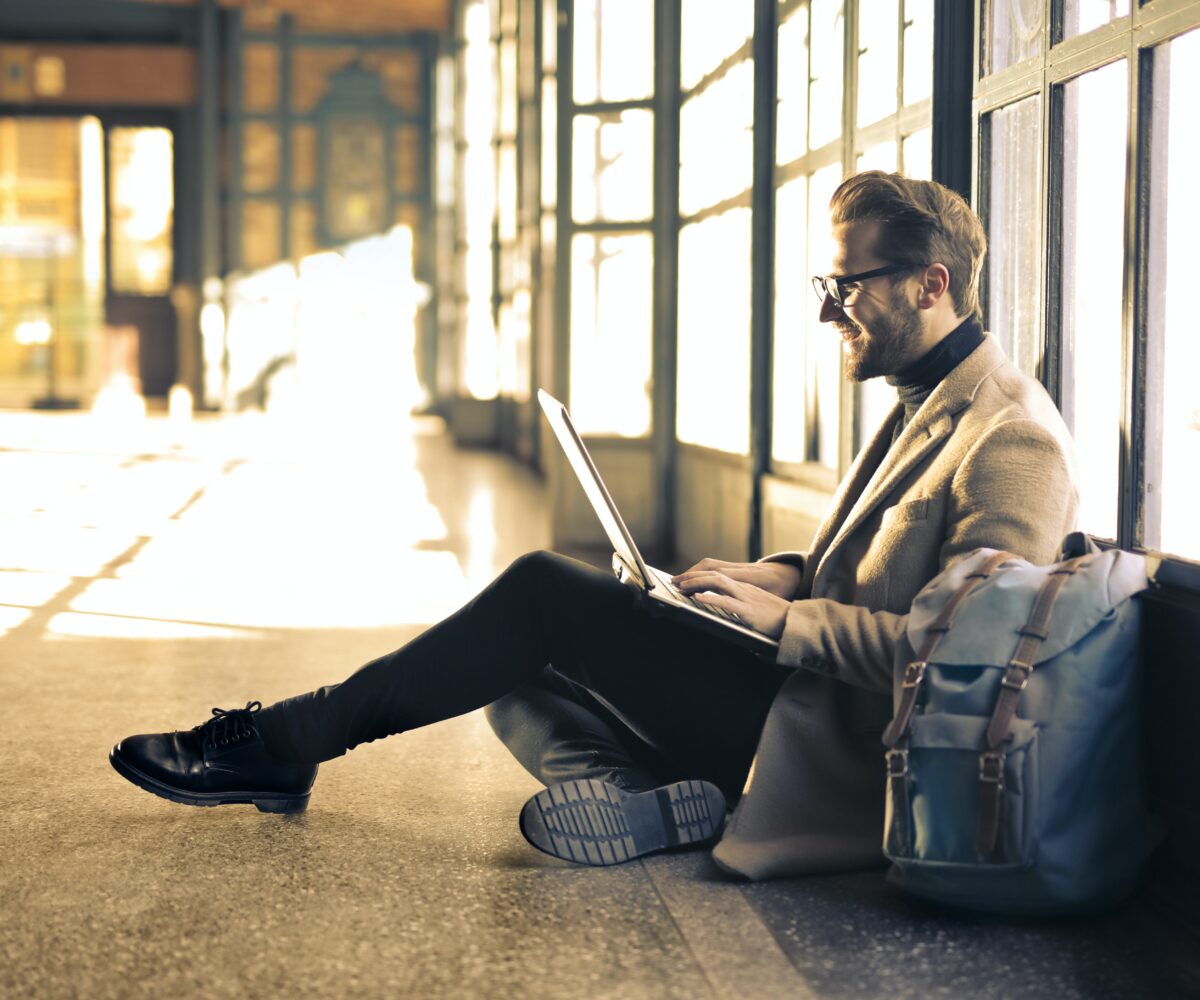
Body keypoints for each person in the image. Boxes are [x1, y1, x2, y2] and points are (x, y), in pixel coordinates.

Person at [110, 172, 1078, 877]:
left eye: (846, 286)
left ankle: (284, 741)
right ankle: (643, 800)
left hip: (830, 747)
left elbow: (968, 663)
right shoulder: (929, 393)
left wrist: (782, 624)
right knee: (500, 672)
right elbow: (870, 566)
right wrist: (771, 577)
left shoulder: (1010, 437)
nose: (831, 312)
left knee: (540, 591)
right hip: (788, 694)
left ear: (932, 282)